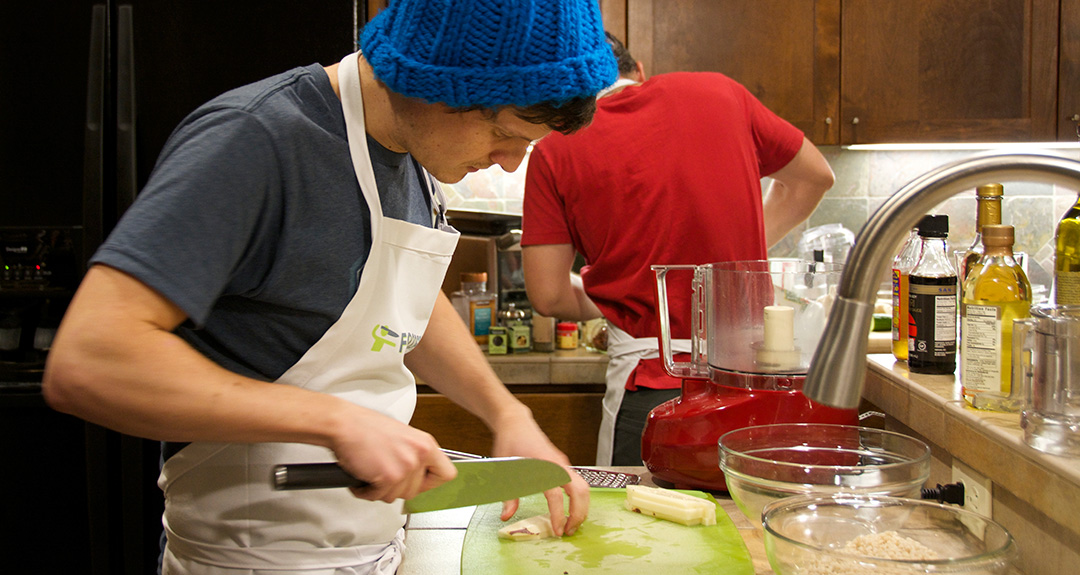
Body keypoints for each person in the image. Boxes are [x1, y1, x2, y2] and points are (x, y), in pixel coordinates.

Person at [42, 1, 617, 573]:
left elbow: (398, 299)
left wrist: (505, 413)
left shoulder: (416, 157)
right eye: (503, 132)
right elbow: (91, 361)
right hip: (251, 559)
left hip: (373, 550)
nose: (512, 164)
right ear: (432, 81)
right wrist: (335, 420)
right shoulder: (257, 139)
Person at [521, 33, 835, 467]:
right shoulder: (721, 93)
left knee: (638, 524)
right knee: (749, 521)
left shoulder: (554, 149)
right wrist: (734, 263)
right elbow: (815, 176)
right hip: (751, 378)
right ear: (639, 72)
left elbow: (549, 295)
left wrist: (623, 300)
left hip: (649, 384)